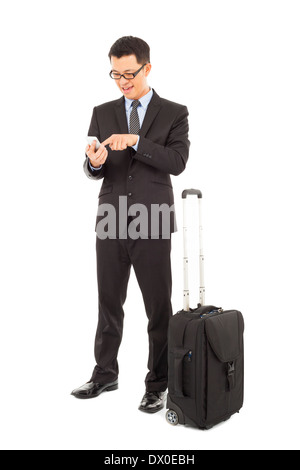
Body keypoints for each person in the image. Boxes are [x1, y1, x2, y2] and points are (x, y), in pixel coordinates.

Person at [71, 36, 190, 413]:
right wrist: (93, 160)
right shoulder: (102, 111)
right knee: (109, 301)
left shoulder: (174, 112)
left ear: (147, 68)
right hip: (111, 218)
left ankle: (158, 383)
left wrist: (137, 141)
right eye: (115, 74)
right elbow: (97, 169)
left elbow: (177, 162)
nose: (122, 81)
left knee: (158, 306)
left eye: (129, 73)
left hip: (153, 219)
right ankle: (104, 373)